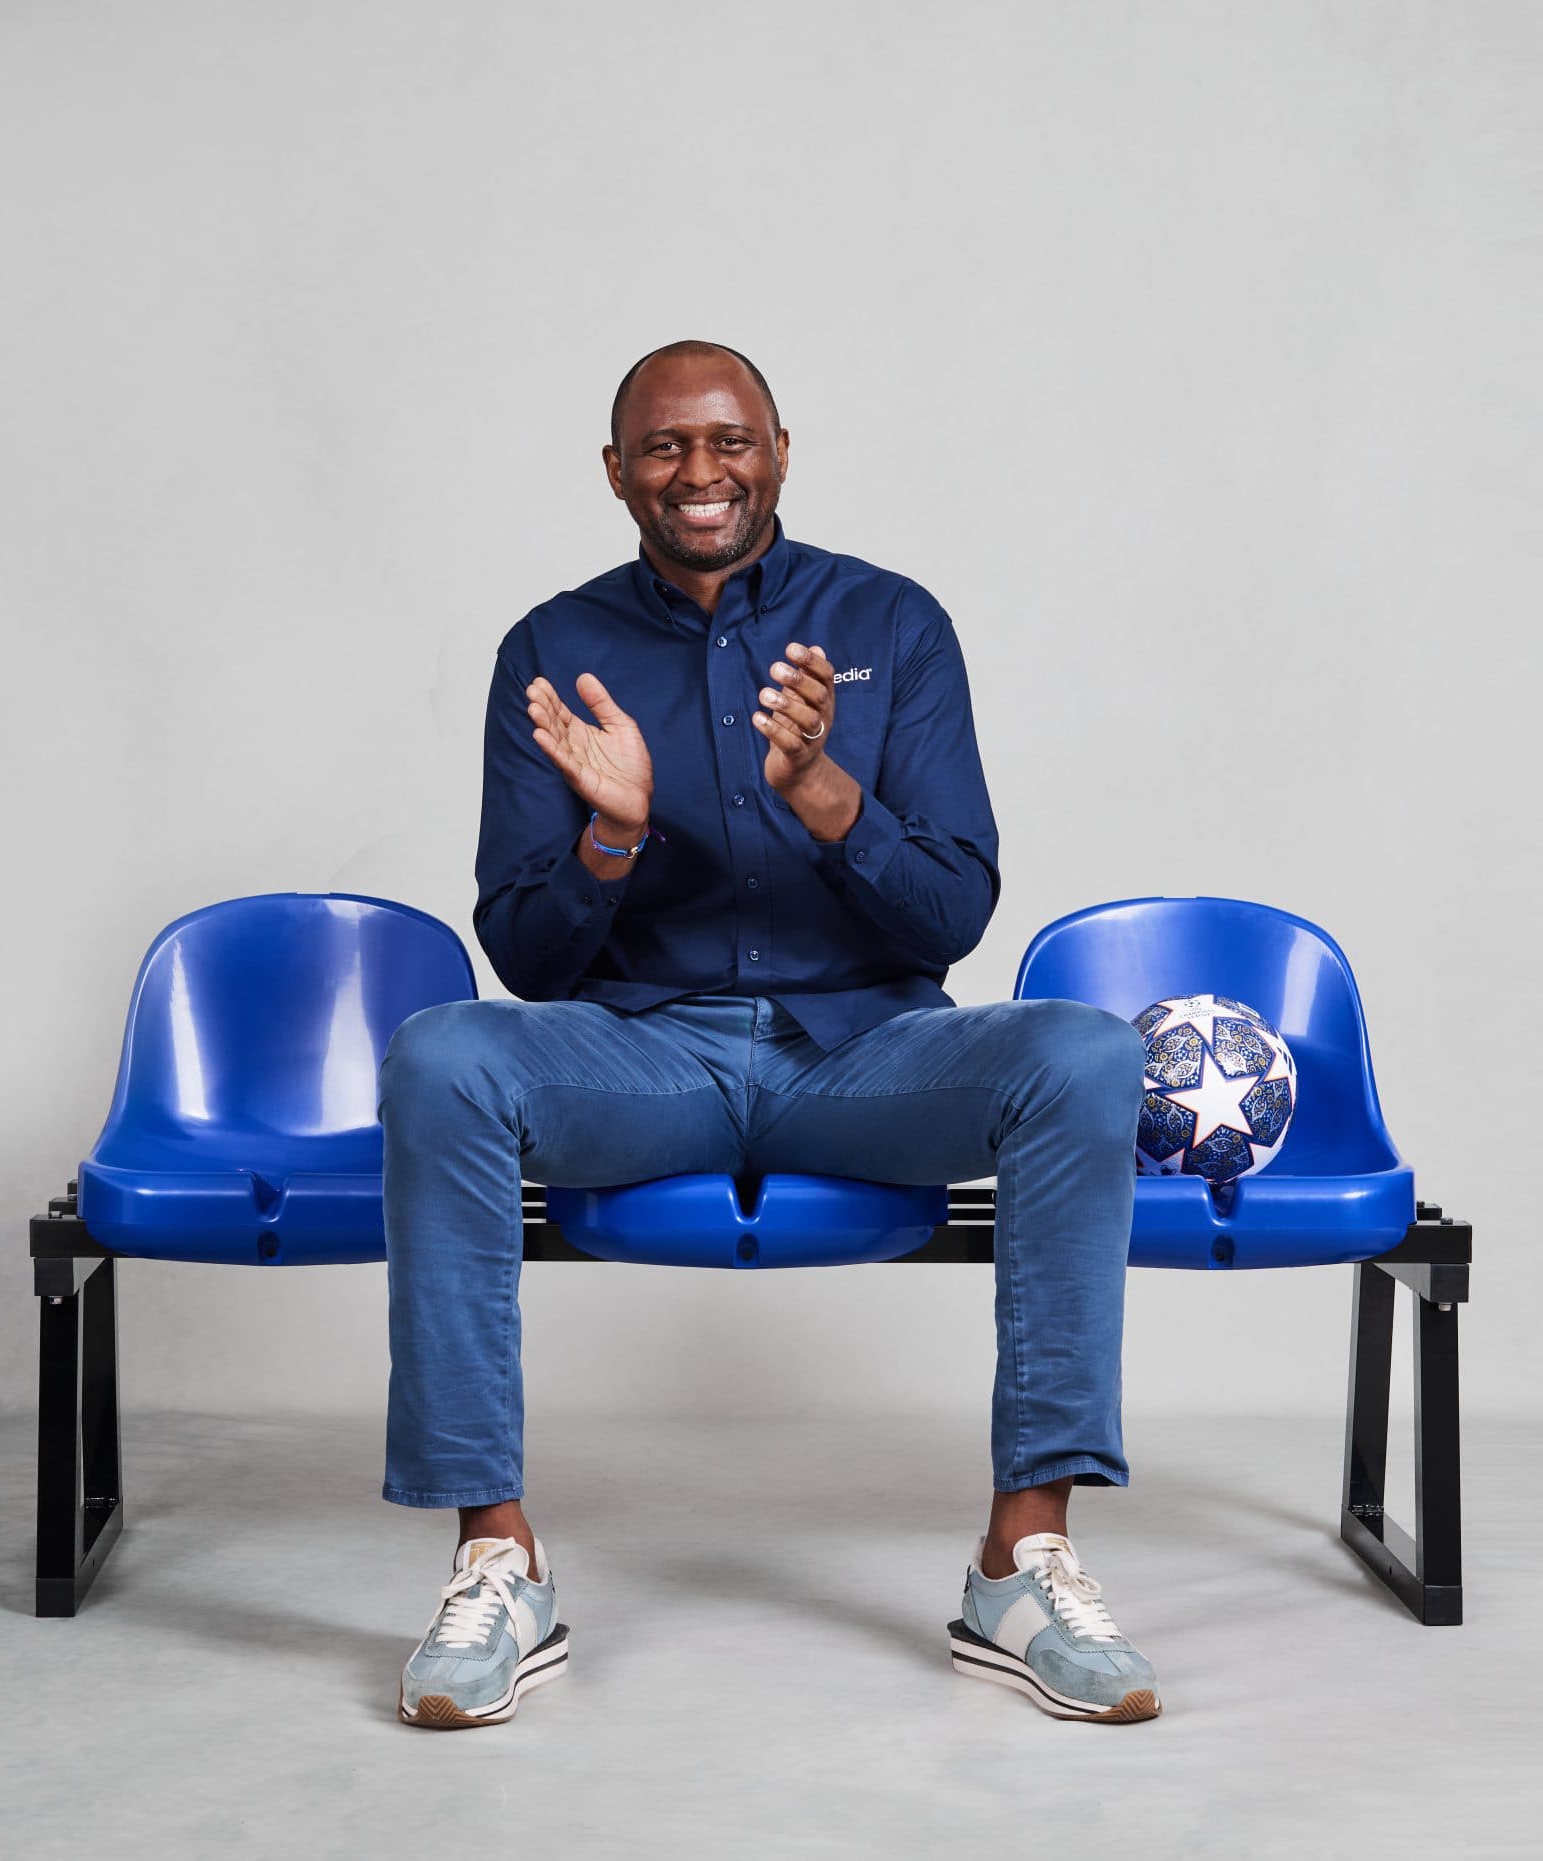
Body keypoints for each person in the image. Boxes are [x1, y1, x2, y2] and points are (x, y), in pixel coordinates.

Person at [376, 341, 1157, 1727]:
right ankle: (498, 1563)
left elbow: (955, 912)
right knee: (442, 1055)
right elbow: (528, 956)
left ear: (780, 453)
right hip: (645, 1057)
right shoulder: (552, 649)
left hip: (861, 1057)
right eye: (665, 446)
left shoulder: (893, 623)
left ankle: (1022, 1563)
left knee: (1084, 1052)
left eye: (730, 440)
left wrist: (831, 803)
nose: (701, 471)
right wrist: (612, 836)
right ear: (617, 471)